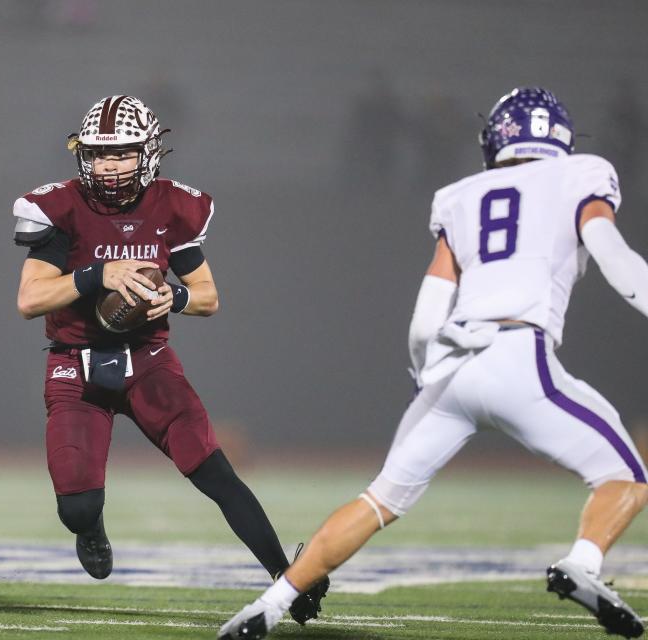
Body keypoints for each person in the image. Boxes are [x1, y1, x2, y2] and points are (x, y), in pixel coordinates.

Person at [219, 86, 648, 640]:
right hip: (520, 353)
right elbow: (611, 253)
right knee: (626, 475)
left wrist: (428, 372)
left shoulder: (461, 196)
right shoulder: (581, 174)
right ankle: (583, 564)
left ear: (496, 138)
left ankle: (268, 607)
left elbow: (425, 318)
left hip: (450, 364)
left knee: (378, 500)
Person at [13, 95, 327, 624]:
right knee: (77, 508)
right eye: (98, 155)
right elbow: (29, 300)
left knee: (215, 471)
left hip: (147, 360)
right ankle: (91, 527)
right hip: (76, 365)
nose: (108, 166)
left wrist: (174, 298)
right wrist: (98, 275)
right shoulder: (61, 207)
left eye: (122, 154)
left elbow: (207, 296)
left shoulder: (174, 207)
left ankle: (286, 579)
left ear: (149, 153)